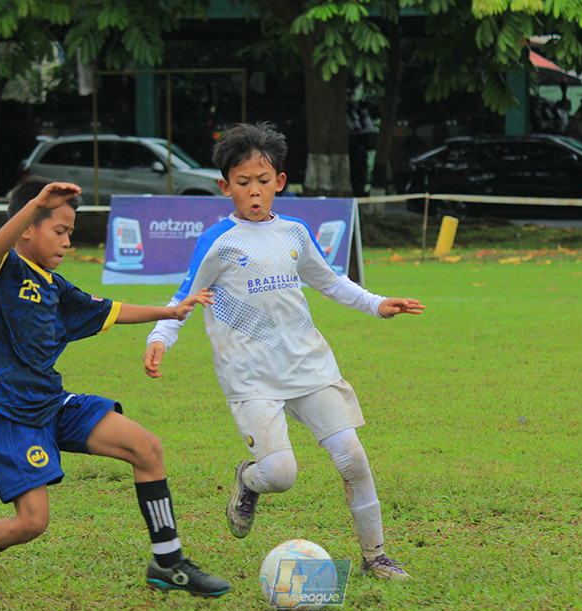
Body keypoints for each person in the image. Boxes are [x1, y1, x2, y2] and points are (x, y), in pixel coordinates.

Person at [0, 177, 230, 611]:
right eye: (59, 231)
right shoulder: (4, 271)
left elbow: (111, 310)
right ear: (28, 228)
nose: (67, 242)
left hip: (55, 403)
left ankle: (168, 560)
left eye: (70, 233)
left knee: (147, 447)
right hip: (16, 414)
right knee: (32, 523)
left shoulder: (56, 287)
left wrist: (171, 311)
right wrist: (35, 204)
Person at [144, 123, 425, 580]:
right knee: (281, 474)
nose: (253, 192)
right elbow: (184, 296)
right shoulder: (217, 240)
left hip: (309, 365)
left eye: (262, 181)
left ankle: (376, 556)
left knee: (353, 457)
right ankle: (248, 480)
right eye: (242, 183)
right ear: (225, 187)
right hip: (250, 377)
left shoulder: (294, 232)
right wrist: (159, 338)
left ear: (279, 181)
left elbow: (330, 282)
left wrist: (378, 305)